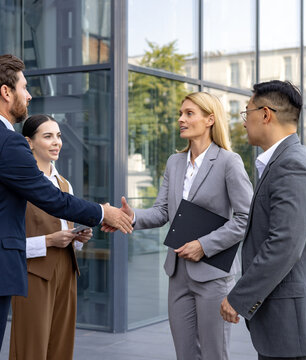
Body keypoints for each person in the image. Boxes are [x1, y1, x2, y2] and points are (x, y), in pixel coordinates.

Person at [0, 54, 132, 360]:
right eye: (24, 87)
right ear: (5, 92)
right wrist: (105, 213)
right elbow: (50, 198)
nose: (29, 95)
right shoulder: (7, 143)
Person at [109, 92, 253, 360]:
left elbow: (246, 219)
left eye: (189, 113)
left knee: (214, 354)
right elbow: (163, 211)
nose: (180, 119)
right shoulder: (175, 162)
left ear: (210, 119)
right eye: (180, 113)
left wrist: (204, 245)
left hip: (212, 275)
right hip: (178, 273)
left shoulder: (228, 162)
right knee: (185, 354)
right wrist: (131, 217)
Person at [220, 80, 306, 360]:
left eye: (246, 112)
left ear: (265, 114)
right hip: (287, 322)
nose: (244, 122)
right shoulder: (281, 162)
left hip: (293, 325)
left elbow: (284, 245)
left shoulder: (291, 166)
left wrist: (238, 297)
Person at [9, 114, 91, 360]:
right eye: (48, 136)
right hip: (33, 273)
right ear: (29, 142)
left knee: (62, 346)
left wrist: (78, 239)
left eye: (58, 136)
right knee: (31, 347)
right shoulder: (17, 185)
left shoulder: (64, 184)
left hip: (67, 271)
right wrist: (48, 241)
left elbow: (66, 233)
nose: (56, 142)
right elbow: (7, 243)